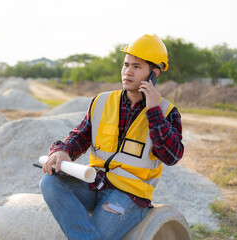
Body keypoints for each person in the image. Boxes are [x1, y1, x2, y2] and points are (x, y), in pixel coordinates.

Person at [39, 34, 184, 240]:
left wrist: (153, 112)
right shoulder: (102, 101)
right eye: (126, 65)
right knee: (50, 183)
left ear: (154, 74)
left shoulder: (166, 112)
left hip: (130, 195)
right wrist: (62, 150)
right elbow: (80, 136)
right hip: (94, 183)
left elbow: (172, 156)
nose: (128, 72)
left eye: (136, 67)